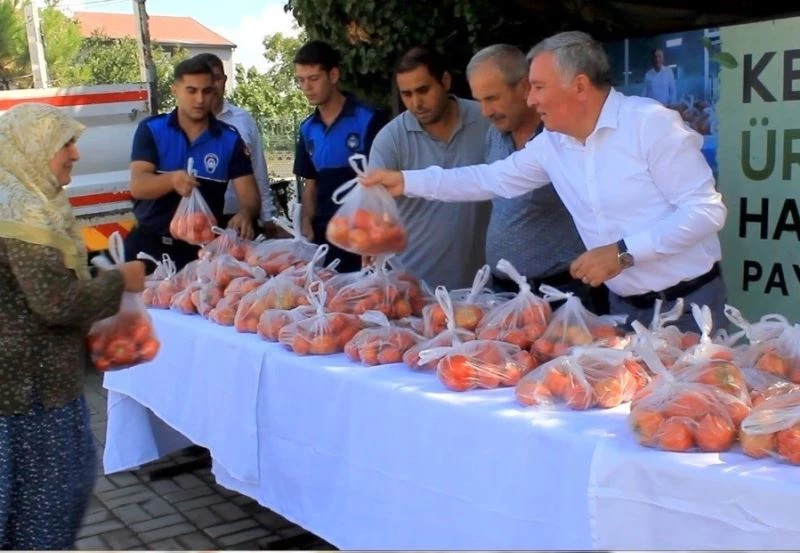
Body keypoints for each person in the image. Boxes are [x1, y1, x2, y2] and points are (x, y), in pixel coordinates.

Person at [362, 31, 728, 333]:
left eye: (538, 86)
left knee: (689, 414)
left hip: (688, 306)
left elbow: (706, 211)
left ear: (579, 86)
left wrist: (623, 252)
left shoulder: (650, 124)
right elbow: (492, 178)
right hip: (621, 310)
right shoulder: (553, 144)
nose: (531, 98)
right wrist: (406, 181)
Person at [0, 103, 146, 549]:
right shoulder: (19, 218)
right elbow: (57, 302)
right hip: (29, 396)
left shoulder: (28, 201)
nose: (75, 155)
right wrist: (121, 281)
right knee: (42, 509)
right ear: (33, 147)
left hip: (35, 390)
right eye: (65, 143)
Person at [466, 44, 608, 312]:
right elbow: (488, 182)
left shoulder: (565, 136)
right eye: (479, 100)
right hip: (503, 290)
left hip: (563, 291)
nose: (485, 111)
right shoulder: (495, 134)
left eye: (492, 98)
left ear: (523, 87)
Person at [368, 46, 491, 290]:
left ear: (445, 81)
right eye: (407, 94)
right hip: (413, 288)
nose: (416, 103)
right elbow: (373, 203)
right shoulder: (390, 138)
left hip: (484, 285)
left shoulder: (486, 120)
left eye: (423, 90)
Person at [126, 56, 261, 270]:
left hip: (200, 255)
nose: (199, 99)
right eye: (191, 90)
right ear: (175, 90)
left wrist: (246, 213)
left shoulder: (229, 140)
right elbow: (138, 186)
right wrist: (171, 180)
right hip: (147, 250)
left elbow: (250, 197)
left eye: (206, 91)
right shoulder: (152, 130)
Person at [293, 40, 387, 272]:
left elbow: (383, 183)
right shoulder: (307, 129)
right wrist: (305, 220)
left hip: (363, 237)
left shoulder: (369, 118)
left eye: (313, 79)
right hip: (324, 238)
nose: (307, 87)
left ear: (333, 75)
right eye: (301, 80)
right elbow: (310, 184)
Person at [192, 52, 280, 235]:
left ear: (224, 80)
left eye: (215, 78)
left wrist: (267, 217)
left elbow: (259, 170)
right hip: (198, 222)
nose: (211, 86)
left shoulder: (242, 120)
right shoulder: (184, 125)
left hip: (242, 220)